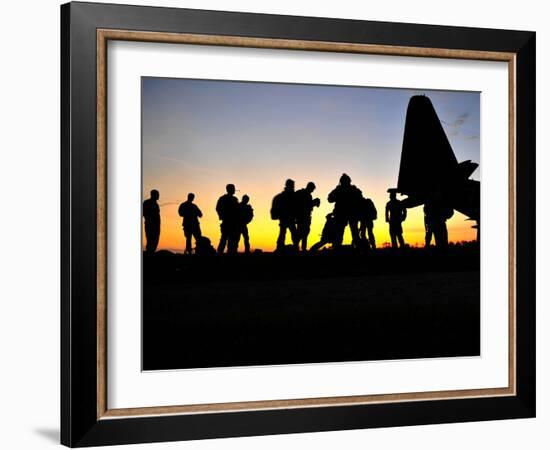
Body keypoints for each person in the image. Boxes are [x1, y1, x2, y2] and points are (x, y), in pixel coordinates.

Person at [327, 173, 362, 248]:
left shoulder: (340, 189)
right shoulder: (352, 189)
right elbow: (330, 199)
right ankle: (358, 249)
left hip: (345, 214)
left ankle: (338, 248)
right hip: (346, 214)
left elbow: (330, 199)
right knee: (351, 232)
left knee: (341, 233)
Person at [271, 179, 298, 251]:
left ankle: (283, 247)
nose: (293, 187)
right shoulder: (288, 196)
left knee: (285, 233)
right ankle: (282, 247)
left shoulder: (284, 196)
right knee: (287, 233)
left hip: (287, 218)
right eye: (292, 185)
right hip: (286, 218)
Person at [294, 182, 320, 251]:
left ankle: (302, 248)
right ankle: (297, 248)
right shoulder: (302, 194)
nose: (312, 191)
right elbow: (305, 205)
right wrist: (314, 202)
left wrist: (314, 203)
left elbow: (308, 205)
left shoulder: (307, 195)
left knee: (305, 233)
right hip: (301, 217)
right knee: (301, 233)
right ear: (310, 187)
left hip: (306, 217)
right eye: (312, 189)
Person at [216, 184, 240, 254]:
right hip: (227, 222)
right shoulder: (225, 199)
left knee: (229, 239)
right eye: (233, 189)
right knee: (225, 239)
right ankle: (221, 253)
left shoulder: (232, 199)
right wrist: (222, 216)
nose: (234, 190)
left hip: (232, 222)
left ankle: (227, 253)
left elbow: (218, 208)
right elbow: (218, 208)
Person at [142, 189, 160, 254]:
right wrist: (149, 219)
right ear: (153, 195)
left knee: (155, 239)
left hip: (156, 225)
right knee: (150, 239)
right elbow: (144, 212)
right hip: (150, 224)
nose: (158, 196)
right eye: (157, 194)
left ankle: (151, 252)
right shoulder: (147, 202)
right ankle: (149, 254)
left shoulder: (156, 204)